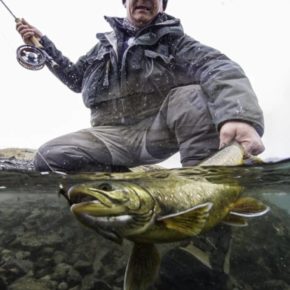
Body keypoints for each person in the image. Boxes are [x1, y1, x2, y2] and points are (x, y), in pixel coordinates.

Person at [16, 0, 264, 172]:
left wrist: (238, 116)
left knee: (193, 96)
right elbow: (74, 79)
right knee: (48, 156)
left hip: (155, 134)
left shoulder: (177, 43)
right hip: (109, 137)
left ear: (162, 5)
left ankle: (203, 187)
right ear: (125, 2)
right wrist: (43, 46)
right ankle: (121, 187)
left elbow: (219, 67)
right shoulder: (101, 48)